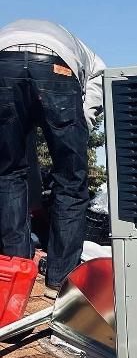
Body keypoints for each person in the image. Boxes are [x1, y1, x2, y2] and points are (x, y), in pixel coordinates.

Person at [0, 19, 105, 298]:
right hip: (55, 65)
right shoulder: (87, 55)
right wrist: (81, 122)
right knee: (70, 180)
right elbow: (100, 76)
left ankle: (16, 267)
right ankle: (61, 278)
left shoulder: (13, 30)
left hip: (4, 64)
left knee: (8, 174)